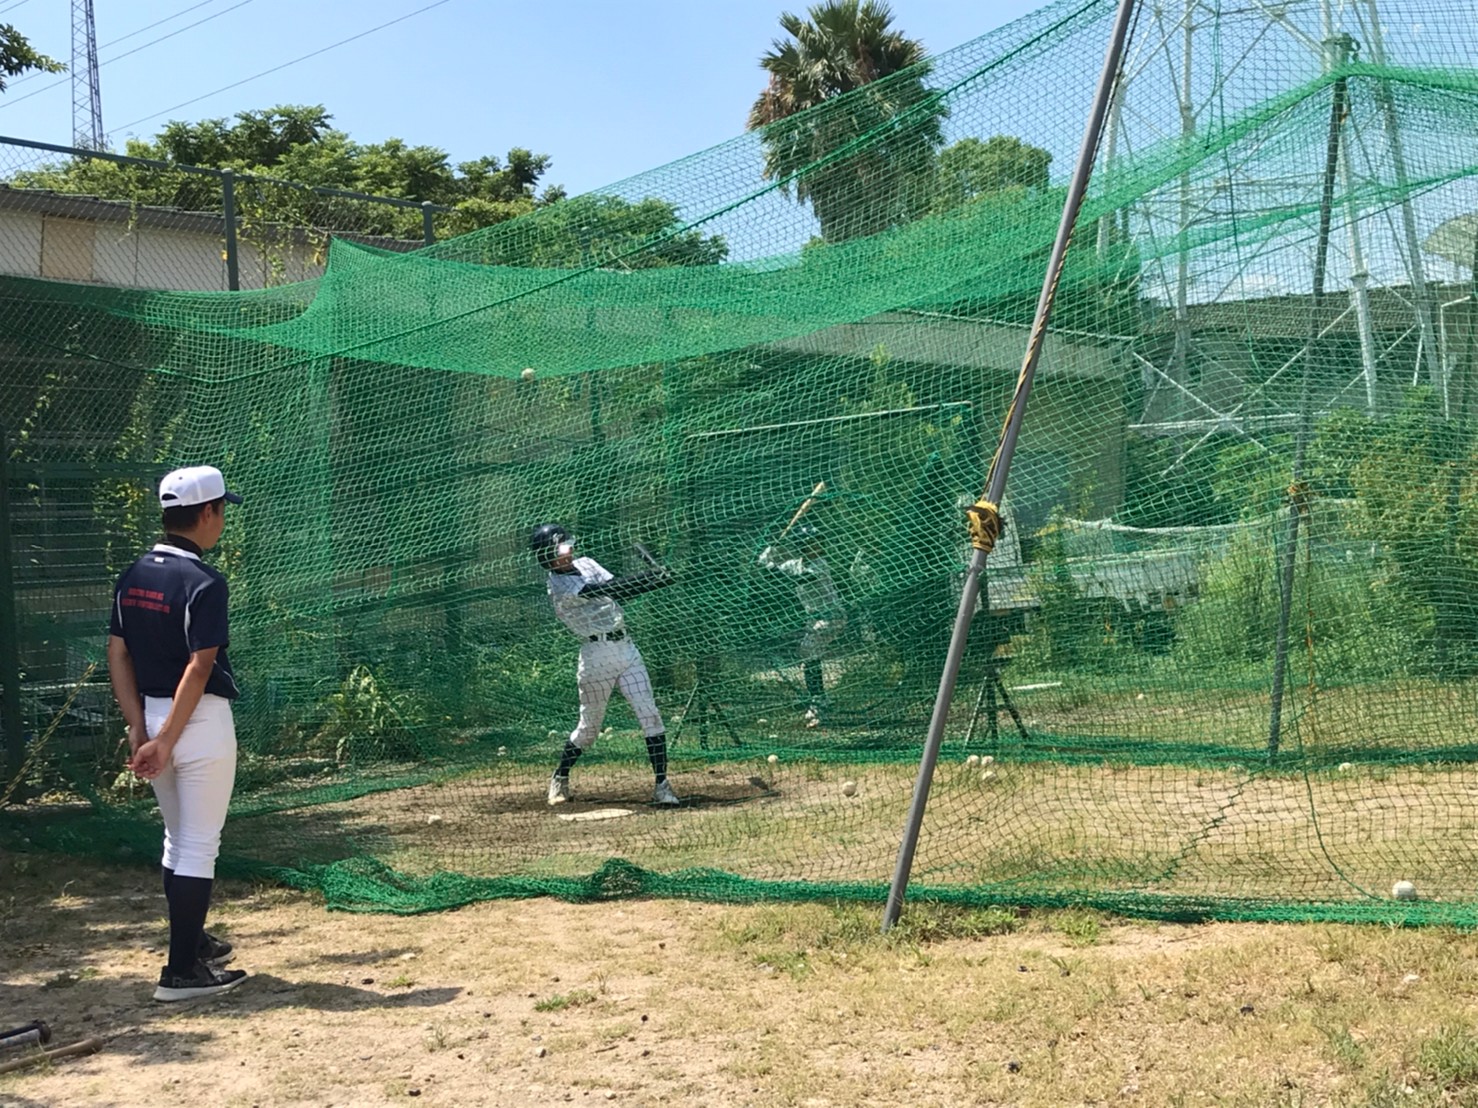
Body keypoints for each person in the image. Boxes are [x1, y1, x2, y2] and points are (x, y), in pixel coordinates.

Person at [108, 465, 249, 1002]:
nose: (222, 521)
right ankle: (181, 973)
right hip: (197, 723)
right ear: (208, 512)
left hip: (150, 717)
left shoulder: (133, 573)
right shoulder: (205, 582)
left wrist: (139, 727)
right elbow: (199, 666)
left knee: (177, 839)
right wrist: (166, 739)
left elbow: (118, 653)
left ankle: (194, 945)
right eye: (222, 511)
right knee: (198, 845)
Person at [529, 523, 680, 807]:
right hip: (596, 655)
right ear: (546, 557)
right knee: (589, 728)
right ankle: (560, 776)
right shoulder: (558, 584)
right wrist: (650, 576)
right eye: (560, 549)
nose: (567, 552)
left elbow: (621, 593)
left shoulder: (586, 563)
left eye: (567, 546)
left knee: (650, 715)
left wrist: (659, 581)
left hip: (626, 649)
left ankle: (662, 786)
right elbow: (606, 588)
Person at [757, 524, 846, 726]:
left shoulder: (820, 564)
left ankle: (818, 701)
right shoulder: (794, 564)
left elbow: (799, 579)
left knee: (808, 650)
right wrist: (769, 554)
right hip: (814, 618)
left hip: (832, 617)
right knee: (809, 656)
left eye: (819, 542)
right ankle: (819, 698)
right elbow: (770, 575)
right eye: (812, 543)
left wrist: (771, 566)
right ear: (802, 546)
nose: (818, 546)